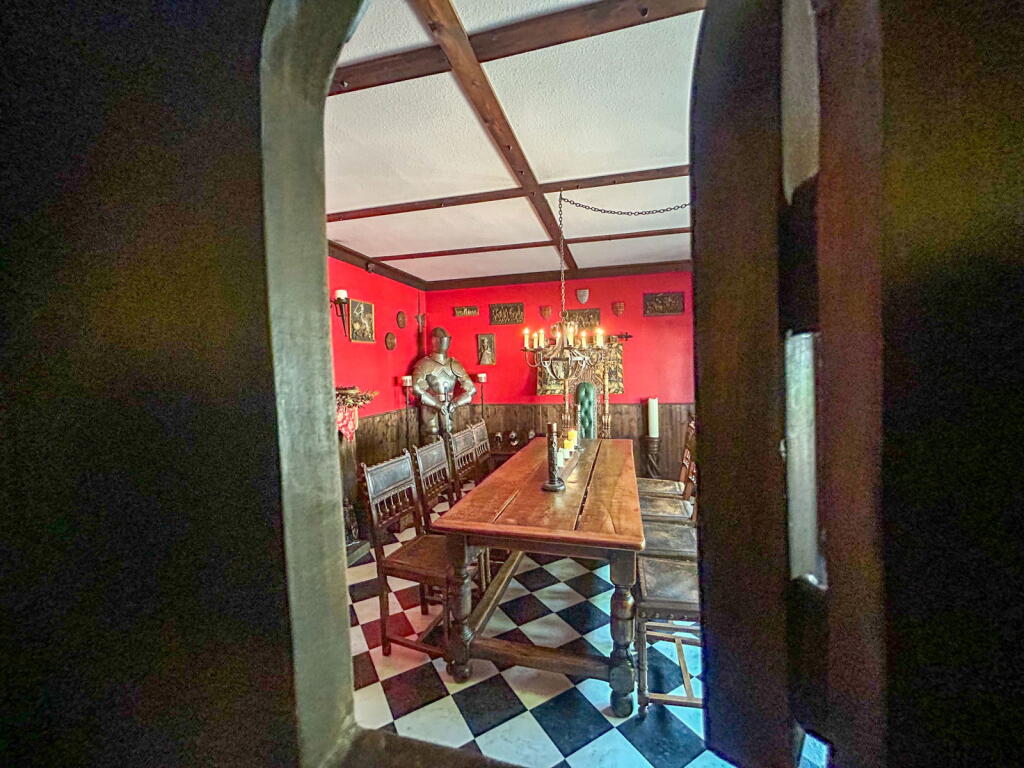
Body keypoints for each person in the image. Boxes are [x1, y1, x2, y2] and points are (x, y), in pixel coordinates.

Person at [411, 327, 476, 436]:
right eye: (440, 340)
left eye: (446, 340)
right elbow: (416, 388)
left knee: (449, 430)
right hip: (430, 404)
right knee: (431, 431)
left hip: (449, 404)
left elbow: (472, 390)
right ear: (434, 340)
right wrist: (437, 404)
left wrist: (455, 404)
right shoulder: (424, 364)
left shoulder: (454, 364)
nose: (443, 343)